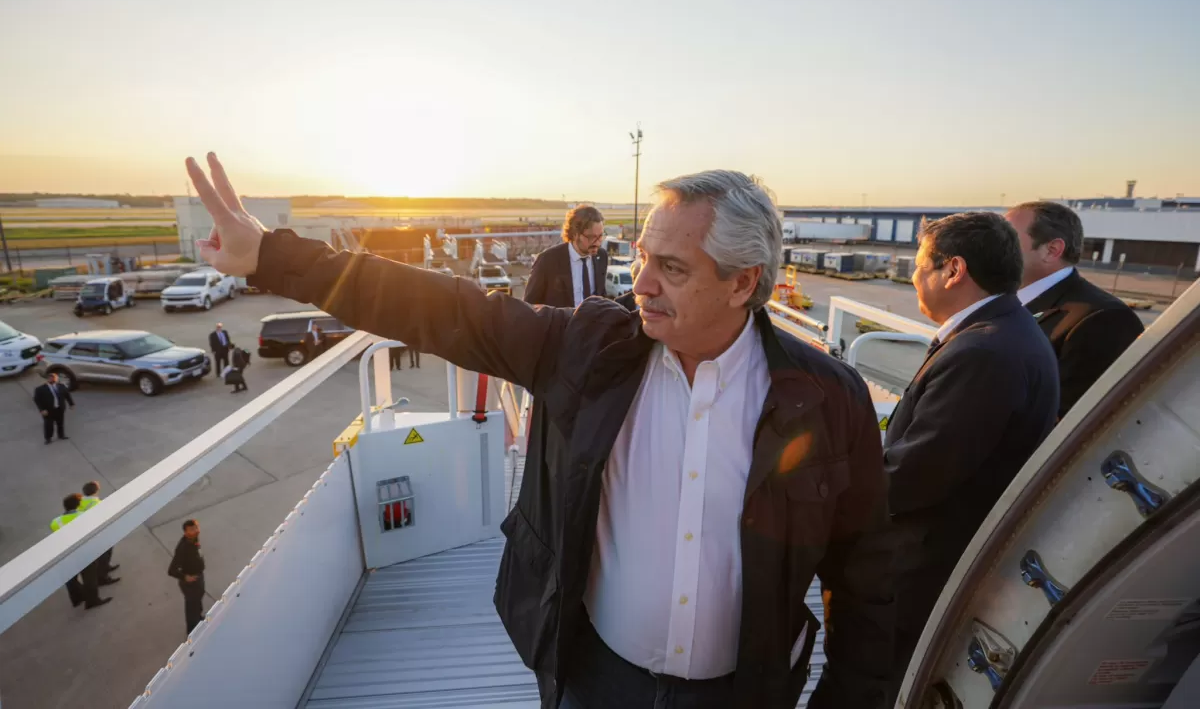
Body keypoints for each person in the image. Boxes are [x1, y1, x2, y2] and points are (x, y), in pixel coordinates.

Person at [186, 153, 893, 709]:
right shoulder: (590, 349)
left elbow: (865, 584)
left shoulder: (826, 399)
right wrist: (271, 256)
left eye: (671, 269)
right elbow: (443, 309)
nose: (640, 283)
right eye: (642, 256)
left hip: (743, 697)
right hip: (591, 682)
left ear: (744, 283)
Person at [883, 212, 1059, 696]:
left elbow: (916, 474)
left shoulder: (983, 351)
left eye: (921, 265)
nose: (914, 276)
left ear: (954, 270)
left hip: (925, 571)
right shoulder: (1007, 332)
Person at [1005, 201, 1145, 418]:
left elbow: (1067, 425)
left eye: (1007, 240)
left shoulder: (1104, 320)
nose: (994, 249)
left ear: (1052, 250)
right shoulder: (1004, 303)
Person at [524, 204, 609, 308]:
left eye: (600, 236)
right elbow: (529, 306)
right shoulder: (547, 260)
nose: (597, 243)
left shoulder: (602, 256)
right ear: (574, 234)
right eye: (591, 237)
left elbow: (601, 294)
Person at [50, 494, 112, 610]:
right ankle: (92, 600)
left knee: (71, 578)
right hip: (84, 551)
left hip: (67, 553)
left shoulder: (55, 522)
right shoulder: (83, 516)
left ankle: (77, 598)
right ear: (78, 505)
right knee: (89, 577)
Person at [167, 518, 206, 634]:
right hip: (190, 583)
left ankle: (199, 620)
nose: (196, 531)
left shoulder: (194, 539)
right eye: (192, 529)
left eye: (196, 528)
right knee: (191, 607)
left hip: (198, 577)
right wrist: (185, 577)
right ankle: (192, 632)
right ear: (185, 532)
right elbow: (171, 570)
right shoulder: (182, 548)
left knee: (197, 602)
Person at [79, 481, 120, 578]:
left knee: (102, 555)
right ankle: (103, 576)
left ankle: (105, 567)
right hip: (99, 533)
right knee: (104, 554)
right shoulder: (97, 504)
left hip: (88, 531)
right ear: (95, 491)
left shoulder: (81, 501)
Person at [33, 371, 74, 444]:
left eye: (54, 378)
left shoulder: (61, 386)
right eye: (50, 378)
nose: (52, 379)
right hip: (48, 410)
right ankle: (48, 438)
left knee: (60, 423)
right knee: (48, 425)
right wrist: (42, 410)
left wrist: (71, 404)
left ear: (56, 379)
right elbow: (37, 400)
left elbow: (67, 395)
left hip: (59, 409)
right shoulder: (40, 389)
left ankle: (61, 435)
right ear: (47, 379)